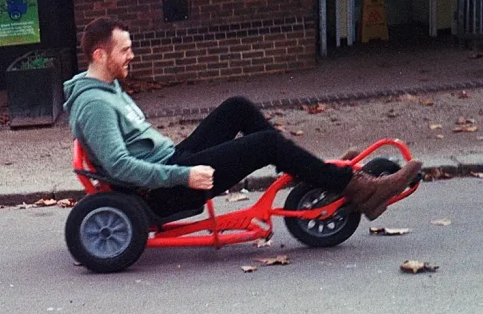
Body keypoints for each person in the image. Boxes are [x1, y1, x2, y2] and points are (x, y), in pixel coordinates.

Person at [65, 18, 422, 221]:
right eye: (124, 50)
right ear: (100, 54)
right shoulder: (95, 105)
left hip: (171, 163)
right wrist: (185, 175)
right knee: (265, 144)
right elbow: (120, 167)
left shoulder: (106, 89)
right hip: (165, 189)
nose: (132, 56)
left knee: (238, 106)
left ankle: (312, 172)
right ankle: (358, 189)